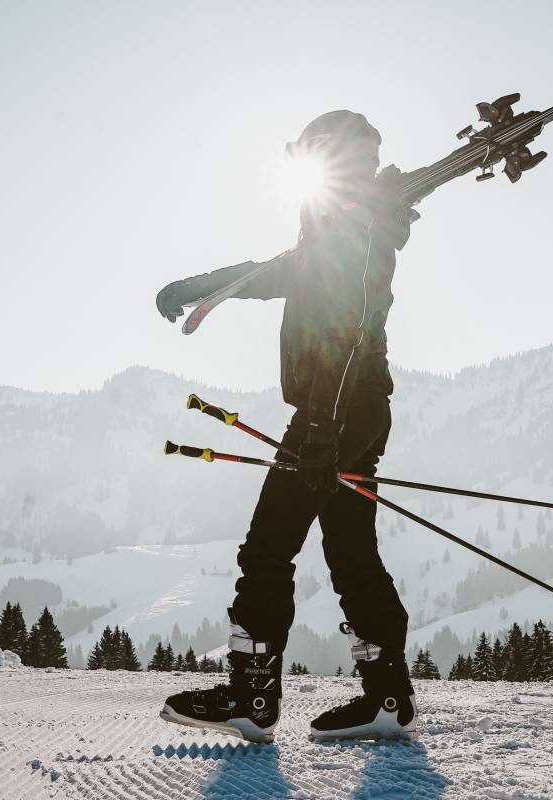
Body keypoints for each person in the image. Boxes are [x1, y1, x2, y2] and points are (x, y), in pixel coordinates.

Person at [154, 110, 420, 743]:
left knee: (268, 549)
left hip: (337, 407)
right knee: (351, 553)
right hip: (357, 408)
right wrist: (203, 286)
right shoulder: (345, 227)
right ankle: (387, 698)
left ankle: (251, 697)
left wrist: (322, 431)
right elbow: (278, 271)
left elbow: (347, 334)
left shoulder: (352, 231)